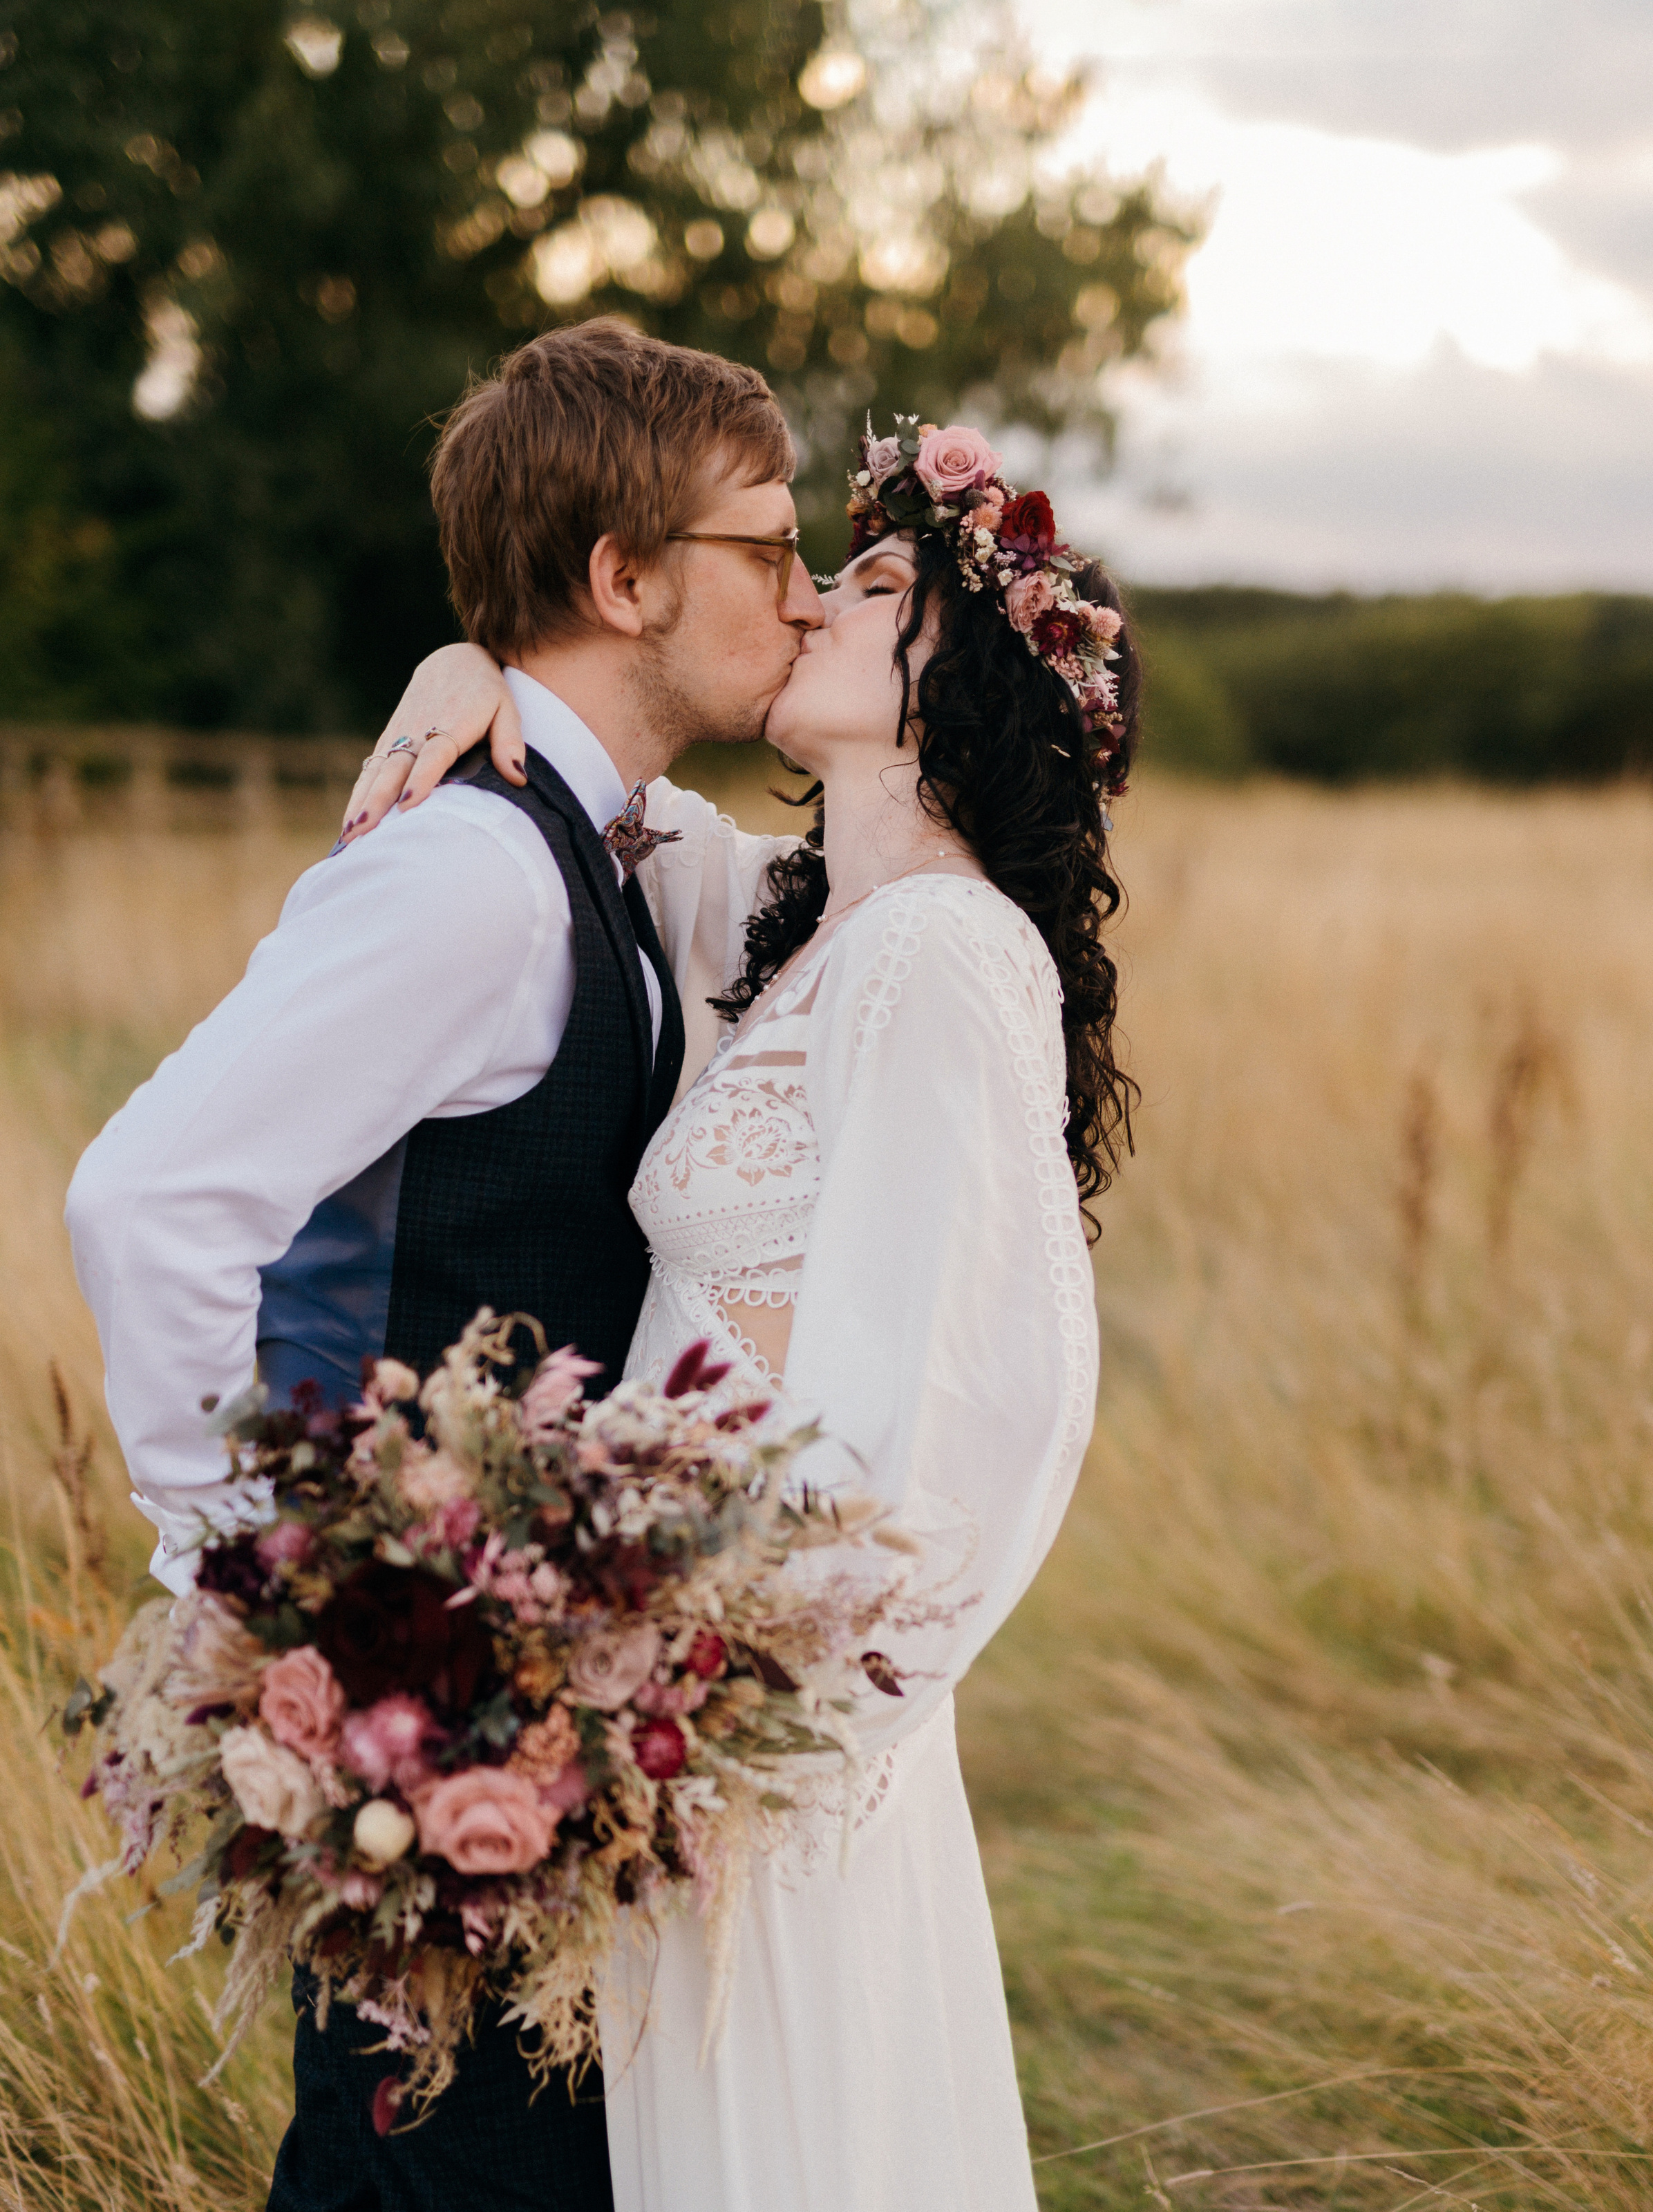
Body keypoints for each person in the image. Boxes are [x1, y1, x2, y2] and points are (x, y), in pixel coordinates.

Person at [64, 317, 828, 2212]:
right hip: (421, 1718)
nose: (804, 600)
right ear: (626, 576)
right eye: (769, 549)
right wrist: (262, 1591)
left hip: (522, 1720)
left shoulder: (608, 846)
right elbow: (149, 1200)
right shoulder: (469, 877)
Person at [343, 420, 1140, 2211]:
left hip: (757, 1741)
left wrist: (726, 1720)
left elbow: (985, 1408)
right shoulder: (789, 931)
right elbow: (591, 765)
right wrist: (471, 656)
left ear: (957, 682)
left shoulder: (948, 953)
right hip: (662, 1693)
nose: (798, 601)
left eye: (862, 589)